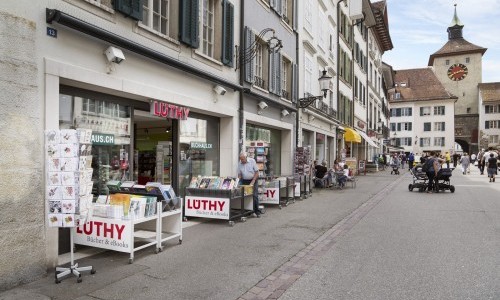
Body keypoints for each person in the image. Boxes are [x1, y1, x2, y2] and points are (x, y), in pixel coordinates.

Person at [237, 152, 262, 217]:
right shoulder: (240, 163)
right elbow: (239, 174)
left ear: (246, 157)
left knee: (254, 195)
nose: (242, 161)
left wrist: (253, 181)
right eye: (241, 159)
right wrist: (238, 182)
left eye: (243, 159)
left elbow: (257, 172)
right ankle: (249, 210)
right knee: (246, 196)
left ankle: (257, 211)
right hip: (244, 180)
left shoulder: (252, 161)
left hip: (253, 180)